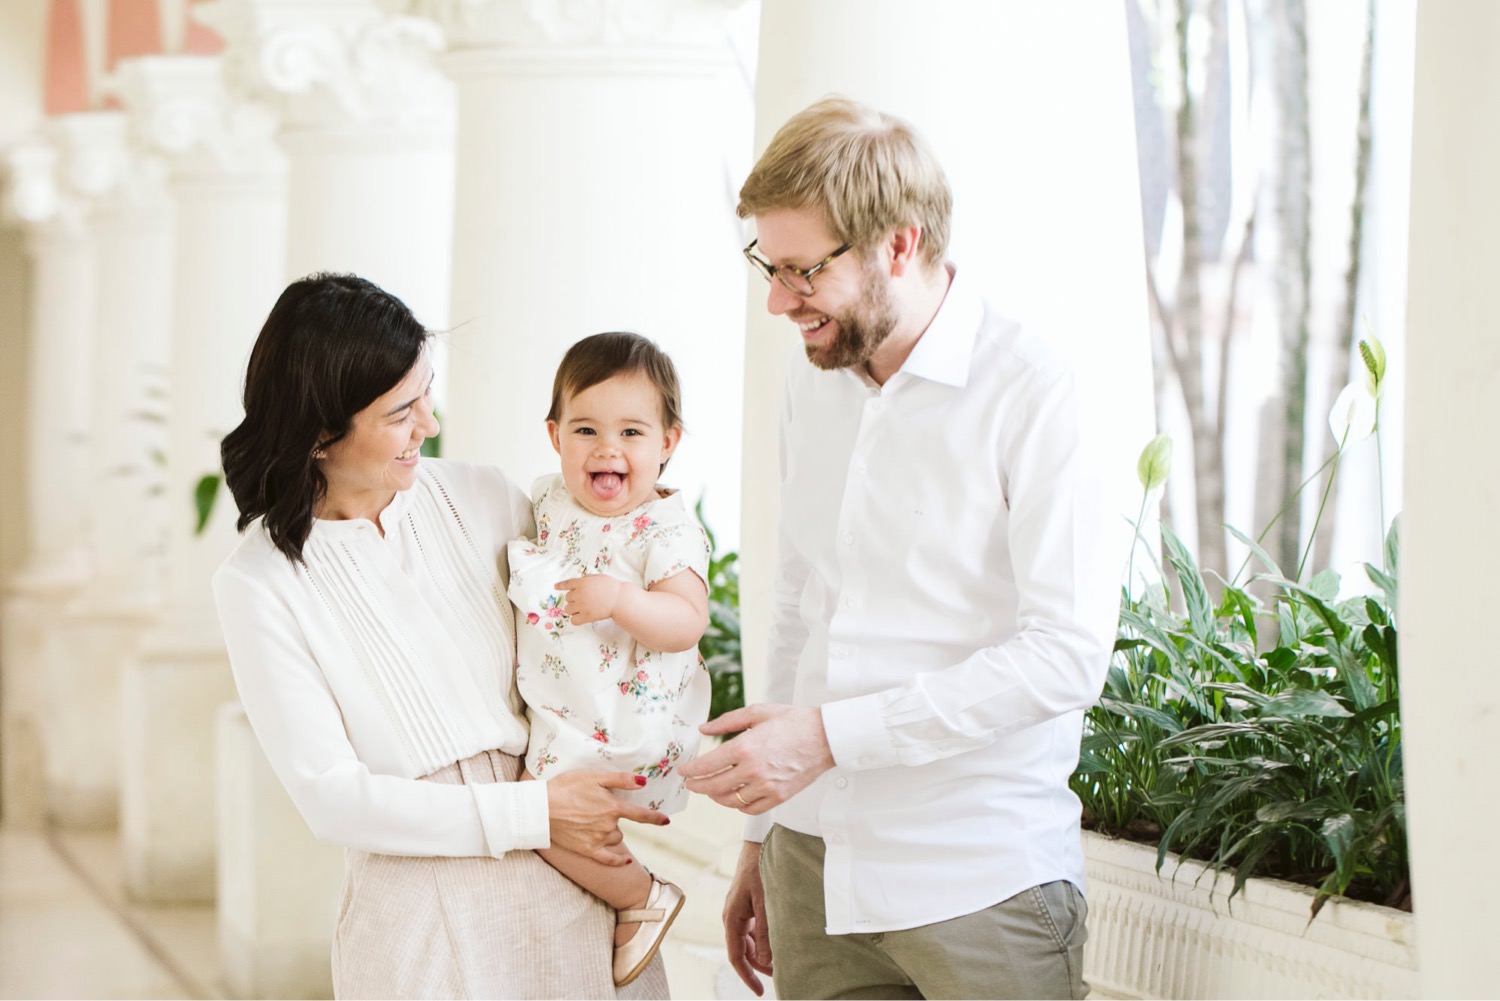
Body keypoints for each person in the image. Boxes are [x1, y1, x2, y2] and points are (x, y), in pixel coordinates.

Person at [678, 97, 1121, 1001]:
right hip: (812, 868)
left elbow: (1066, 654)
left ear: (899, 245)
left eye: (802, 270)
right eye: (768, 265)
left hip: (978, 879)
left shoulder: (1033, 391)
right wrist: (762, 833)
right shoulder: (813, 382)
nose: (778, 300)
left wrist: (829, 739)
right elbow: (799, 604)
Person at [212, 273, 672, 999]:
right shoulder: (259, 583)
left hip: (572, 871)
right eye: (401, 412)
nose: (427, 423)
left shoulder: (483, 495)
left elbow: (603, 617)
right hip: (421, 906)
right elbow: (332, 798)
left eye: (427, 394)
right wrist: (533, 812)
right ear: (321, 431)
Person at [506, 331, 712, 986]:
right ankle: (625, 889)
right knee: (547, 817)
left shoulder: (664, 529)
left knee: (538, 819)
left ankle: (640, 895)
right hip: (570, 702)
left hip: (622, 715)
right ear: (555, 435)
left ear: (668, 442)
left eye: (631, 432)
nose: (607, 448)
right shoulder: (551, 501)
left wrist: (622, 599)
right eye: (586, 430)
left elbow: (687, 620)